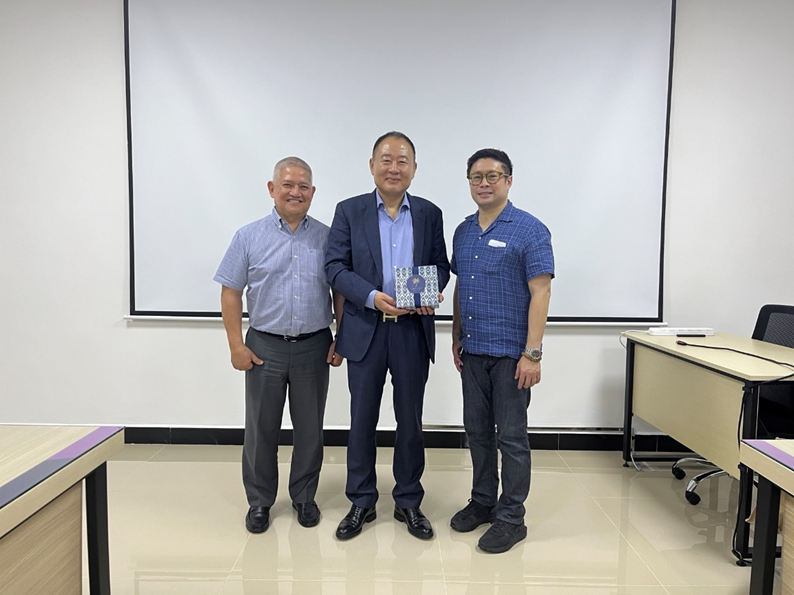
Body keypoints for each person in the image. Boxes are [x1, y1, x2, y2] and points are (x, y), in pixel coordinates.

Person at [325, 131, 450, 540]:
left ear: (414, 168)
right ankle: (361, 501)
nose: (394, 167)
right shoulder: (349, 211)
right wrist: (370, 296)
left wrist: (430, 291)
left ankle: (408, 501)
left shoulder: (430, 213)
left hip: (412, 330)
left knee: (410, 420)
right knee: (362, 419)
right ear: (372, 165)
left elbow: (440, 265)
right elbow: (335, 268)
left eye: (402, 160)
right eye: (386, 159)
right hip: (365, 329)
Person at [214, 156, 343, 533]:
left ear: (313, 193)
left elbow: (339, 292)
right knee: (260, 428)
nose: (295, 192)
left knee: (309, 428)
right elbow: (231, 293)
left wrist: (341, 337)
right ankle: (260, 501)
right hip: (263, 346)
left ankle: (304, 497)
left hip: (314, 345)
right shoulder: (248, 236)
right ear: (272, 189)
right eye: (287, 184)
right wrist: (236, 345)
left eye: (303, 186)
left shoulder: (327, 236)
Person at [449, 148, 554, 553]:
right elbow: (462, 286)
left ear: (509, 181)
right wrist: (456, 335)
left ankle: (512, 517)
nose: (484, 183)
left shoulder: (529, 230)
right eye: (476, 177)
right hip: (473, 352)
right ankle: (482, 501)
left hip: (512, 355)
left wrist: (533, 353)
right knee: (477, 433)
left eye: (493, 176)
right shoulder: (462, 231)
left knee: (511, 438)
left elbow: (541, 290)